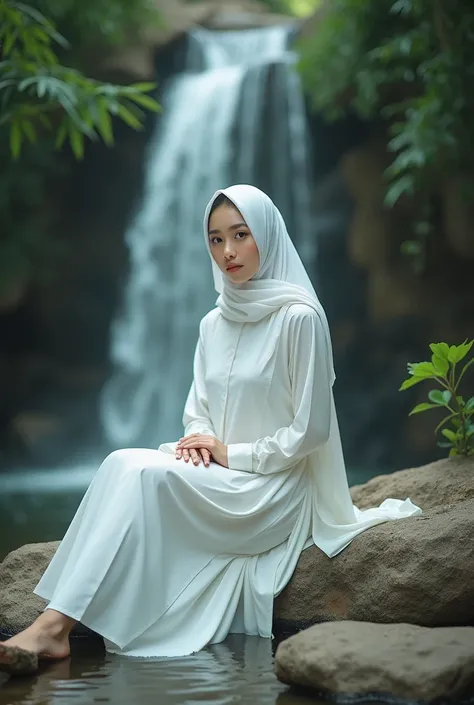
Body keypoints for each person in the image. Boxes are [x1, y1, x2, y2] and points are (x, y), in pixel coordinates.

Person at [0, 185, 421, 674]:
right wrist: (200, 443)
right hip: (219, 478)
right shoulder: (212, 323)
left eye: (241, 235)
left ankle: (53, 630)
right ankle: (55, 627)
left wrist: (230, 453)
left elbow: (311, 431)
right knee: (120, 461)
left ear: (266, 235)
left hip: (274, 490)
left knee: (142, 475)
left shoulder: (300, 318)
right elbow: (197, 410)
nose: (228, 252)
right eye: (217, 239)